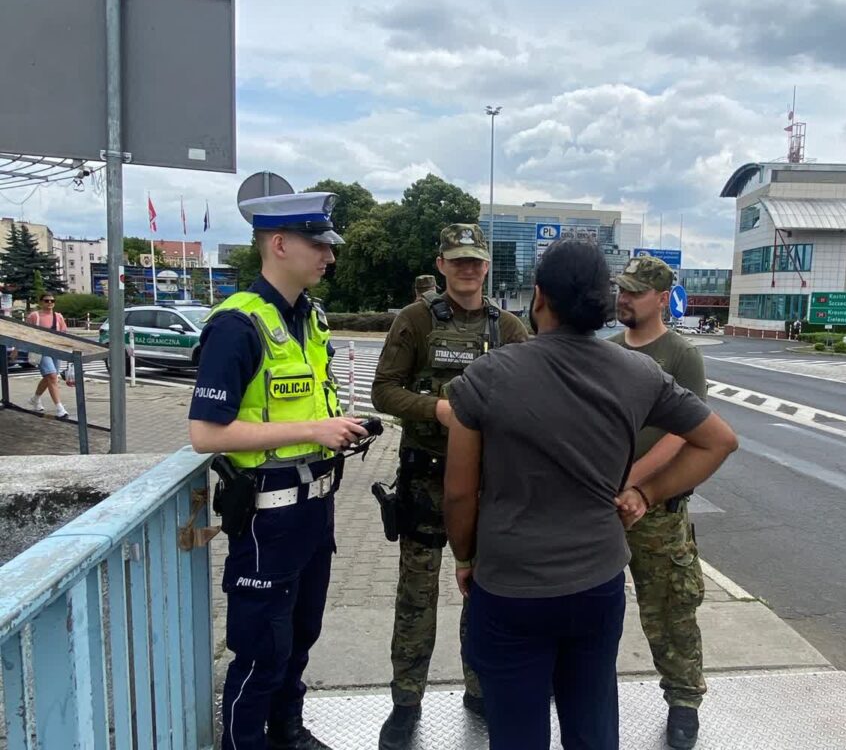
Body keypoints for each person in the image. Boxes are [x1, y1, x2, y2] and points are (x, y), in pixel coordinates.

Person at [444, 240, 738, 750]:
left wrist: (466, 556)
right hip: (597, 585)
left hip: (511, 582)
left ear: (539, 298)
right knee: (593, 718)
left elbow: (459, 494)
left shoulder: (488, 377)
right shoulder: (638, 372)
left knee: (515, 729)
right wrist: (646, 493)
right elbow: (719, 441)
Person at [188, 192, 368, 750]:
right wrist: (314, 432)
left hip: (316, 508)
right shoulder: (238, 325)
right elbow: (205, 434)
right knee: (260, 647)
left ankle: (288, 732)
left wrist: (338, 424)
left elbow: (304, 404)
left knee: (300, 634)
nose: (329, 257)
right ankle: (243, 743)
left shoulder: (308, 317)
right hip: (267, 516)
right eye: (318, 245)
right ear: (280, 244)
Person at [371, 223, 529, 749]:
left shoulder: (508, 327)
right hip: (424, 480)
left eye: (476, 261)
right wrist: (437, 409)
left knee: (482, 595)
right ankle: (405, 701)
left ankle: (479, 689)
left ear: (487, 267)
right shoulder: (416, 321)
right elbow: (384, 391)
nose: (467, 269)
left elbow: (531, 392)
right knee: (415, 598)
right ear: (441, 264)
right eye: (457, 260)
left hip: (485, 488)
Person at [611, 255, 709, 750]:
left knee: (670, 609)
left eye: (633, 291)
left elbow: (682, 432)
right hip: (604, 507)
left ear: (660, 298)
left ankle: (684, 701)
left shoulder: (679, 356)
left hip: (656, 511)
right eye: (621, 289)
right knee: (586, 609)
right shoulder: (606, 351)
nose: (623, 298)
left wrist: (633, 483)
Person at [26, 292, 70, 418]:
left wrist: (66, 348)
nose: (50, 303)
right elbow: (25, 333)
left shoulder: (58, 316)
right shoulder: (34, 316)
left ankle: (35, 398)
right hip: (41, 350)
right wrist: (17, 349)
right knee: (51, 376)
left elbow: (63, 333)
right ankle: (60, 408)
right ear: (41, 302)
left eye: (52, 300)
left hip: (55, 349)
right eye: (46, 300)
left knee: (50, 377)